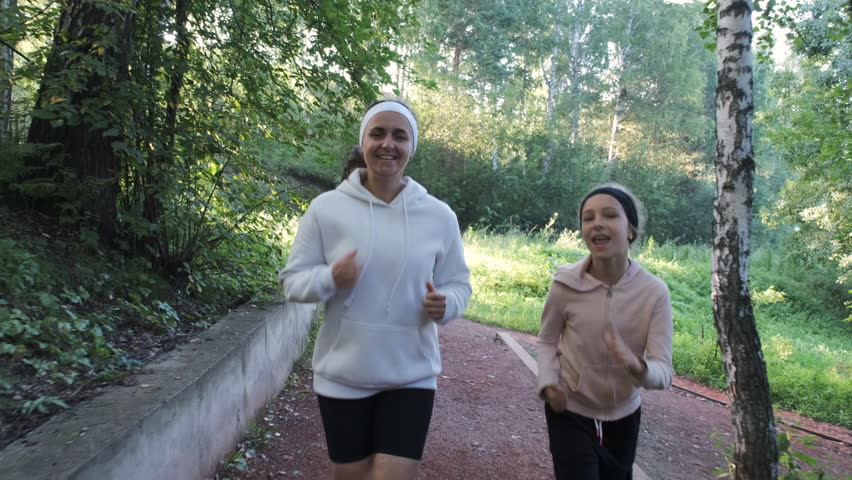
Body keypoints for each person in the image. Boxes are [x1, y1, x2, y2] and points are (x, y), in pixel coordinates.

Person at [278, 99, 472, 480]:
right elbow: (291, 281)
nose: (388, 144)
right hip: (343, 374)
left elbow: (459, 284)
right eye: (378, 133)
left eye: (400, 136)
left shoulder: (439, 215)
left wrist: (445, 303)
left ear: (412, 147)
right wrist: (330, 278)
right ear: (363, 141)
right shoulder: (326, 209)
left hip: (411, 375)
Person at [536, 184, 673, 480]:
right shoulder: (565, 284)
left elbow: (663, 371)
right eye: (588, 218)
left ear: (631, 230)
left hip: (625, 415)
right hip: (569, 409)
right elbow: (547, 341)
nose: (597, 223)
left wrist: (637, 365)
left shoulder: (654, 292)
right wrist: (548, 383)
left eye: (610, 215)